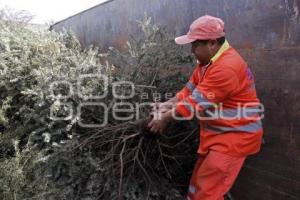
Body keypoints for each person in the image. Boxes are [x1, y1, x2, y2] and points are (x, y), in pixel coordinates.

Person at [147, 15, 264, 200]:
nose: (192, 50)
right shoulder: (207, 64)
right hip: (218, 136)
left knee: (208, 193)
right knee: (197, 187)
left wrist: (164, 118)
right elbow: (188, 92)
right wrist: (164, 105)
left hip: (233, 139)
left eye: (195, 45)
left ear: (212, 43)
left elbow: (193, 105)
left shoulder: (226, 68)